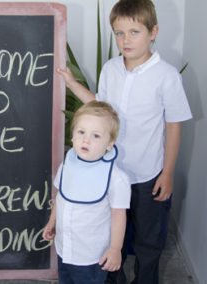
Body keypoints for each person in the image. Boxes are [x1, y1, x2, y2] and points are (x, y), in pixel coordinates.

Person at [57, 0, 192, 283]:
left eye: (134, 32)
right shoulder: (110, 69)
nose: (125, 40)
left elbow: (174, 126)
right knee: (111, 237)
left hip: (147, 175)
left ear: (153, 32)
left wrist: (166, 173)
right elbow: (102, 109)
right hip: (110, 170)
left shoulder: (166, 76)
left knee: (148, 240)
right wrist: (72, 83)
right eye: (119, 33)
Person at [43, 101, 131, 284]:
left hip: (91, 256)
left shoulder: (116, 178)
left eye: (96, 135)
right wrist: (52, 222)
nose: (86, 140)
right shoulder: (67, 164)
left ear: (110, 143)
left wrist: (115, 249)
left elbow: (118, 215)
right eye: (81, 132)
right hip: (64, 249)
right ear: (72, 135)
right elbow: (60, 197)